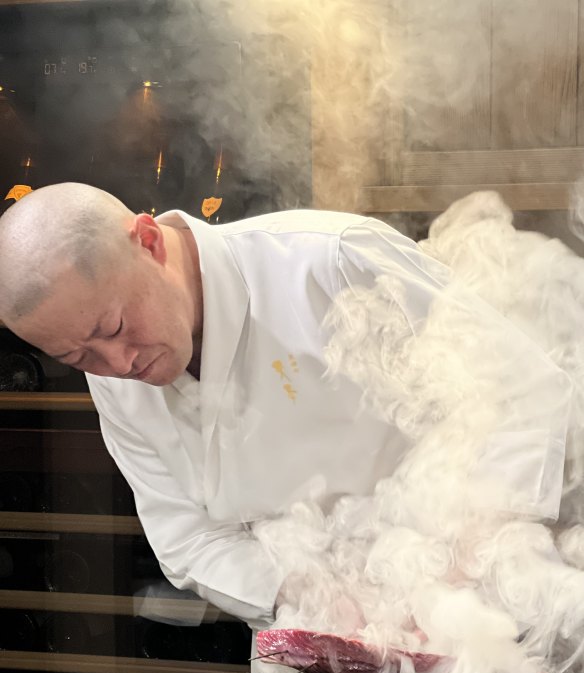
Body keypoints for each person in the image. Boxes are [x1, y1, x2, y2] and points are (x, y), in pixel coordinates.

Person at [0, 183, 569, 631]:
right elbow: (189, 538)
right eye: (79, 357)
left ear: (147, 242)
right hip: (328, 644)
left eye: (115, 327)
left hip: (485, 613)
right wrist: (311, 594)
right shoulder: (114, 379)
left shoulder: (331, 262)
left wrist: (471, 549)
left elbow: (521, 391)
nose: (118, 363)